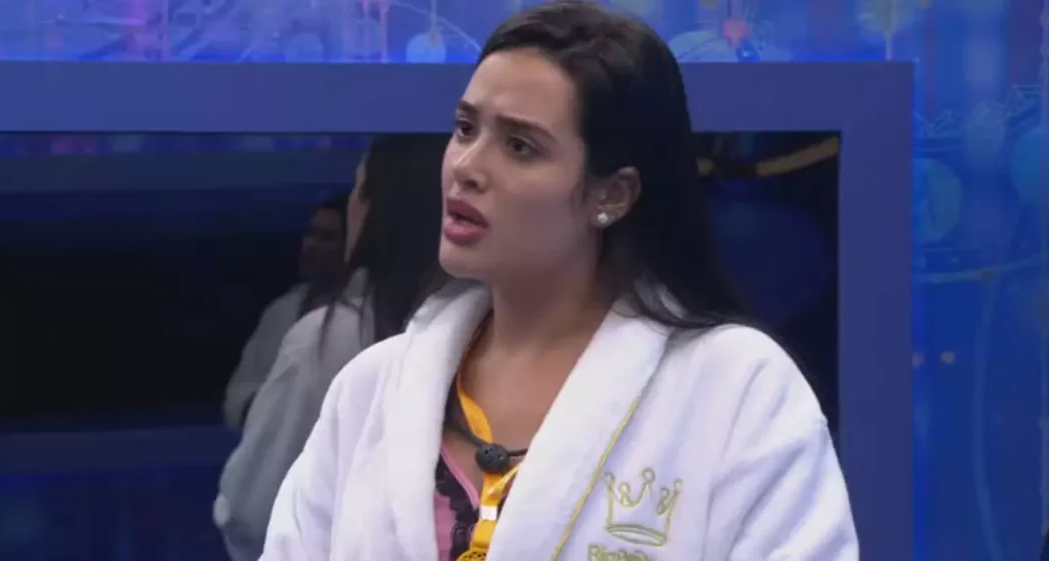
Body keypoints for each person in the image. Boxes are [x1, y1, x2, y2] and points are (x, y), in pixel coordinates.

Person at [262, 2, 859, 560]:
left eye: (520, 146)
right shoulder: (370, 389)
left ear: (612, 194)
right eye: (466, 128)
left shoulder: (737, 388)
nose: (467, 167)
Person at [213, 134, 449, 561]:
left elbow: (255, 509)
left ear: (377, 212)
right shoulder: (498, 326)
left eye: (359, 189)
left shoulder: (329, 337)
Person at [221, 193, 348, 428]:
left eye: (327, 238)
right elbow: (240, 389)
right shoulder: (282, 310)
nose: (312, 245)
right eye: (310, 234)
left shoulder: (373, 313)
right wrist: (264, 410)